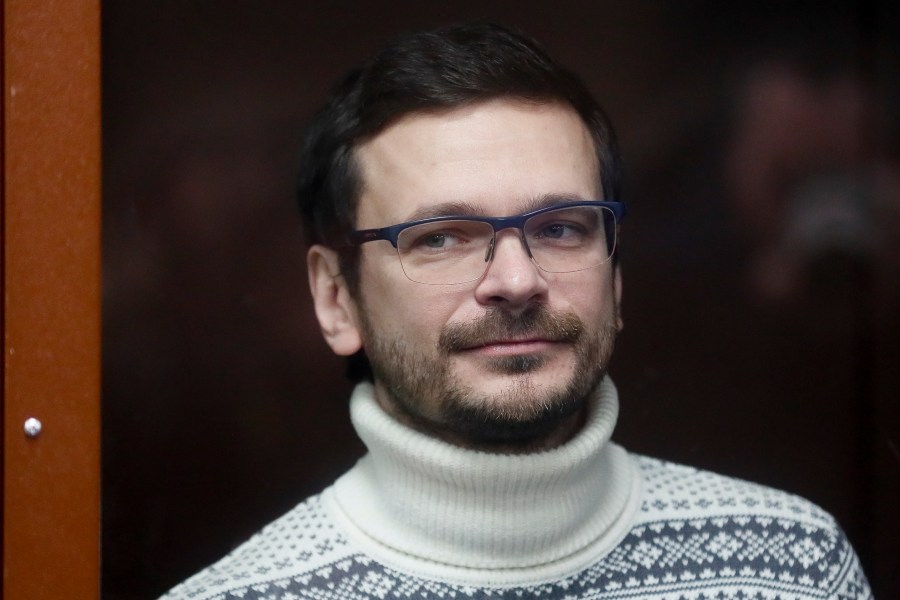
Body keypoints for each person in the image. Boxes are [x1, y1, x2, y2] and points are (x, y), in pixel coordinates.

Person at [162, 23, 871, 600]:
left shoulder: (793, 569)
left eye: (562, 228)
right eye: (441, 238)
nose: (516, 280)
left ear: (616, 277)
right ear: (335, 298)